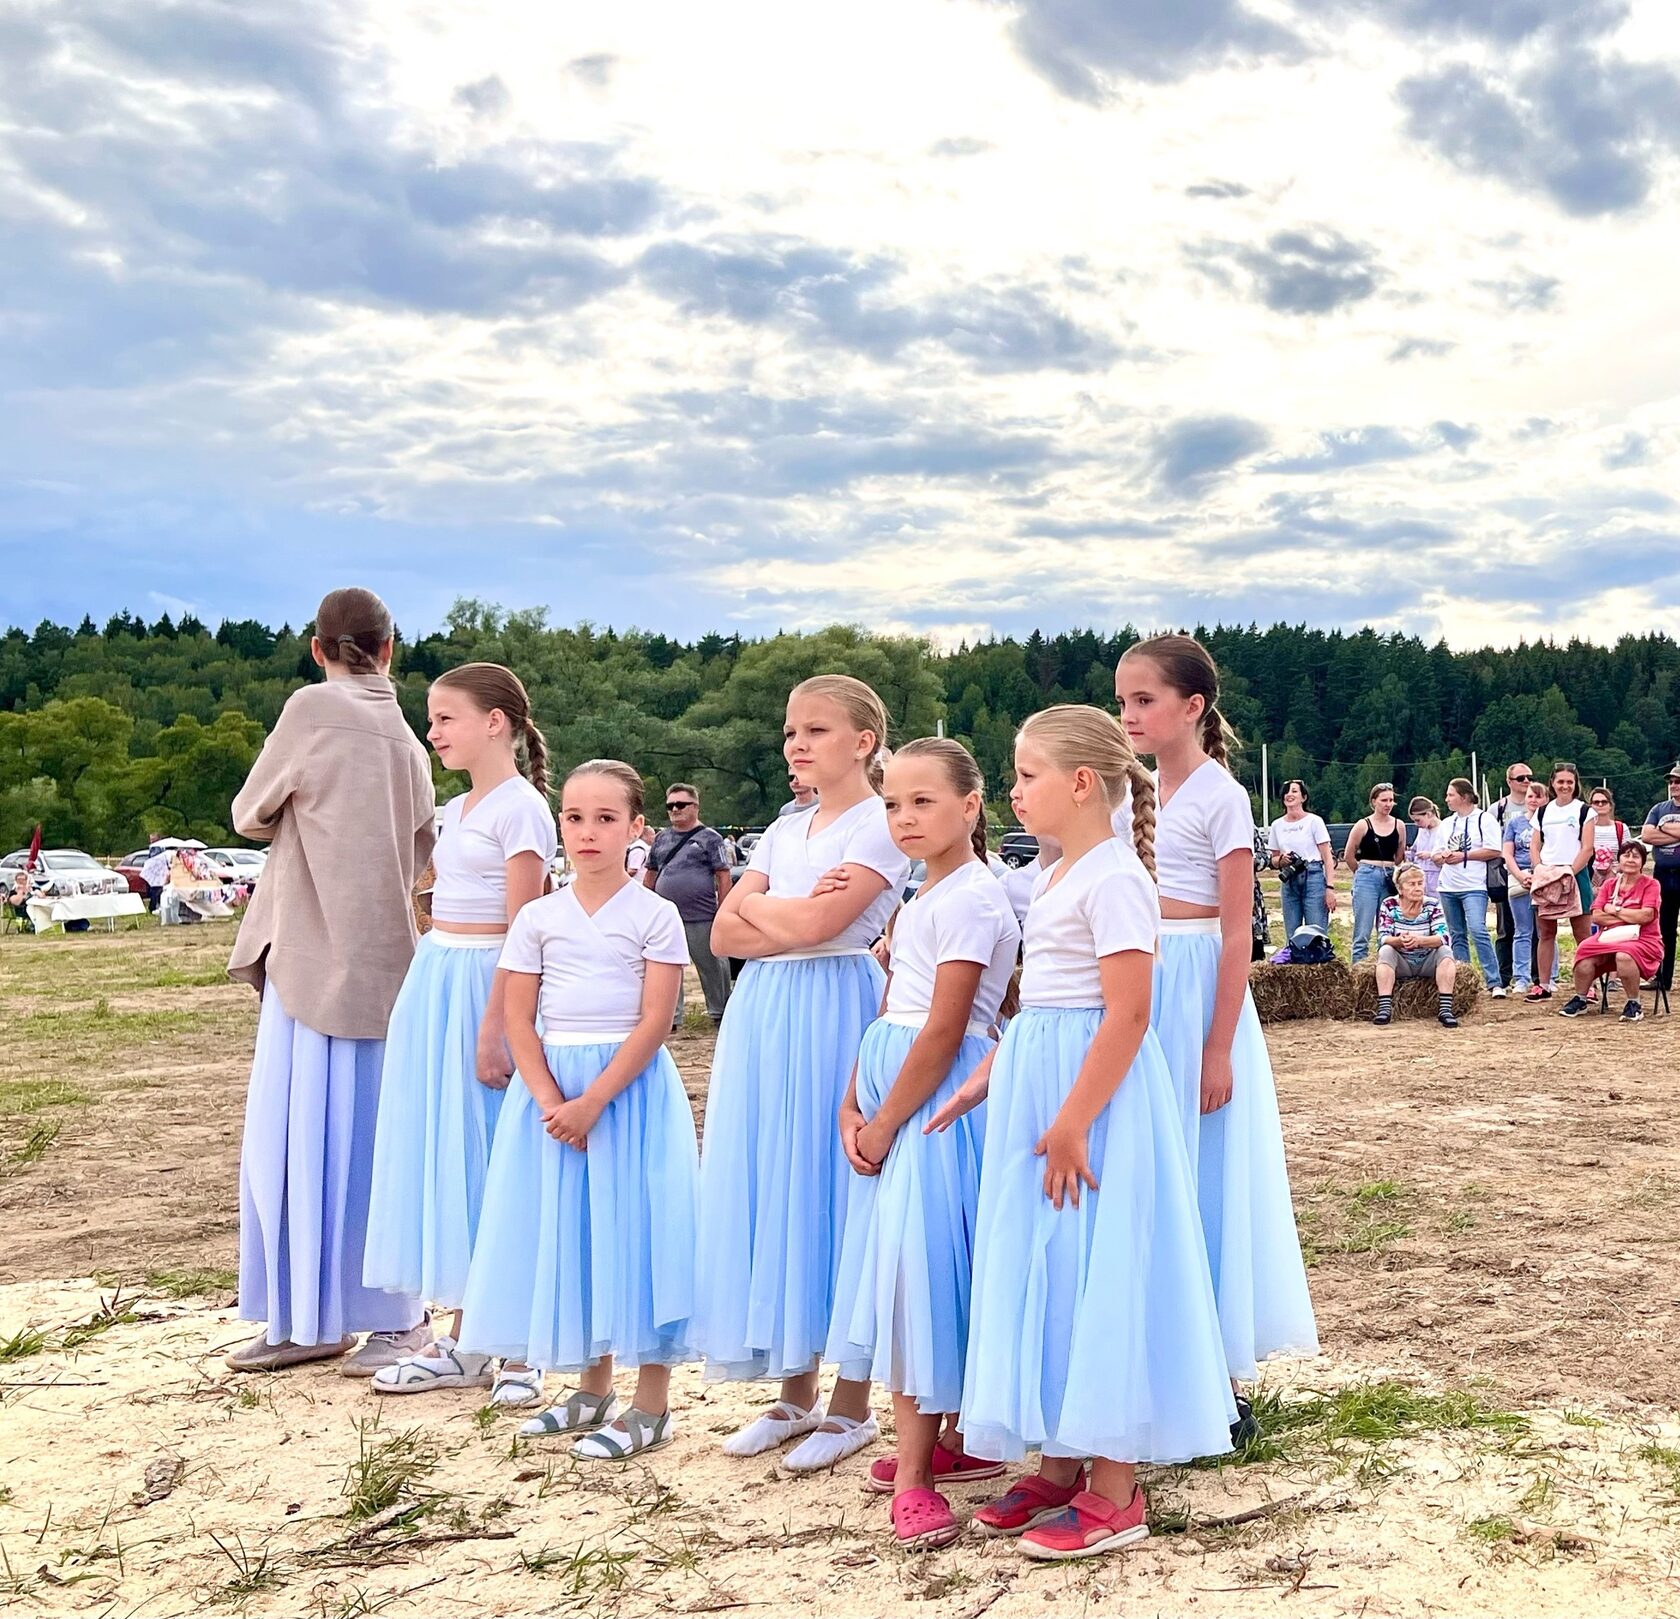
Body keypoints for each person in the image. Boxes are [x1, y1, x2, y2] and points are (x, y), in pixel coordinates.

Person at [927, 706, 1233, 1562]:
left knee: (1096, 1262)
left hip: (1089, 1105)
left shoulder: (1116, 879)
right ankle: (1060, 1456)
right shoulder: (1055, 875)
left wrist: (1071, 1121)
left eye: (1024, 775)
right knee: (1051, 1262)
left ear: (1080, 783)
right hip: (1042, 1084)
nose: (1013, 790)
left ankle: (1117, 1482)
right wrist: (989, 1081)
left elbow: (1127, 1013)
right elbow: (1045, 1006)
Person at [445, 760, 699, 1459]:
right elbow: (518, 1019)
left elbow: (655, 1020)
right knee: (580, 1235)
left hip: (627, 1092)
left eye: (606, 818)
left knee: (637, 1234)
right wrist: (554, 1099)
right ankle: (592, 1386)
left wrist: (594, 1100)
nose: (588, 832)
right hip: (551, 1095)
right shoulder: (537, 916)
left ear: (636, 827)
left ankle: (652, 1404)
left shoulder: (656, 914)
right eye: (575, 817)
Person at [696, 676, 910, 1470]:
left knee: (834, 1183)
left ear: (862, 741)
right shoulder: (786, 829)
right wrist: (783, 915)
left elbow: (827, 925)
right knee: (777, 1179)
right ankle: (793, 1388)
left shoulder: (880, 825)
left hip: (835, 1004)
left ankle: (850, 1404)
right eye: (791, 731)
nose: (796, 744)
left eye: (815, 729)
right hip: (765, 1012)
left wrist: (771, 914)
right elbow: (721, 932)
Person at [224, 587, 437, 1373]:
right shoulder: (412, 742)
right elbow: (421, 850)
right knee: (372, 1139)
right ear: (390, 646)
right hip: (386, 961)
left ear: (319, 648)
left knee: (294, 1135)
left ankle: (307, 1317)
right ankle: (387, 1314)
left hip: (311, 951)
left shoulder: (312, 710)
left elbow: (250, 811)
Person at [1115, 637, 1317, 1445]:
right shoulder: (1133, 792)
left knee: (1205, 1167)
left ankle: (1219, 1375)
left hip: (1196, 984)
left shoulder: (1220, 794)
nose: (1129, 715)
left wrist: (1216, 1045)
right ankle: (1155, 1351)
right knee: (1148, 1160)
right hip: (1141, 979)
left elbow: (1240, 933)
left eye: (1145, 700)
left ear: (1192, 706)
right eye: (1123, 701)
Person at [823, 739, 1019, 1550]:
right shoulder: (920, 892)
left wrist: (884, 1120)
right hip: (893, 1093)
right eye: (894, 804)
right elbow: (893, 1010)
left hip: (933, 1104)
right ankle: (938, 1439)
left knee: (924, 1274)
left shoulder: (973, 898)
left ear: (971, 807)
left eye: (923, 802)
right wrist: (849, 1102)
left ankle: (915, 1474)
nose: (904, 818)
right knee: (912, 1264)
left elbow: (943, 1029)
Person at [361, 664, 555, 1405]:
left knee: (492, 1153)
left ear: (496, 722)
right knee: (447, 1150)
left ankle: (521, 1342)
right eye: (431, 718)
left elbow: (522, 927)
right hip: (439, 973)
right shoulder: (457, 807)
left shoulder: (522, 810)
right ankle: (468, 1333)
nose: (434, 731)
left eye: (446, 718)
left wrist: (497, 1026)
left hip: (487, 980)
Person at [645, 783, 734, 1027]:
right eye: (670, 805)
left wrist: (723, 910)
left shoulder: (710, 838)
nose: (675, 810)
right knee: (667, 969)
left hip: (702, 915)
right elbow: (650, 873)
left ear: (695, 807)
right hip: (666, 918)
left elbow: (723, 875)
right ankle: (671, 1019)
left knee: (712, 966)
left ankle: (721, 1013)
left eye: (681, 804)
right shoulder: (661, 839)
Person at [1557, 842, 1662, 1022]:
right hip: (1608, 936)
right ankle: (1581, 998)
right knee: (1584, 950)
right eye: (1626, 856)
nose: (1630, 860)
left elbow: (1646, 916)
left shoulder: (1651, 884)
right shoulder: (1609, 885)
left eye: (1636, 856)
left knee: (1624, 954)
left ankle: (1633, 1004)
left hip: (1643, 938)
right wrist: (1630, 917)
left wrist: (1615, 910)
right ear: (1619, 860)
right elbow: (1597, 916)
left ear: (1643, 862)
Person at [1436, 778, 1505, 998]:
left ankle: (1494, 982)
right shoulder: (1446, 823)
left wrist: (1464, 856)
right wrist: (1443, 856)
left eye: (1450, 795)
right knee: (1456, 934)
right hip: (1448, 886)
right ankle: (1463, 982)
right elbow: (1437, 853)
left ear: (1464, 797)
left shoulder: (1484, 819)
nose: (1447, 799)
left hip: (1474, 885)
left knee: (1478, 929)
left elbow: (1494, 849)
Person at [1372, 864, 1458, 1027]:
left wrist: (1420, 941)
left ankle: (1445, 1010)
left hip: (1427, 960)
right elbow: (1383, 937)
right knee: (1385, 951)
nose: (1417, 888)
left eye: (1420, 883)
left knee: (1445, 951)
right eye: (1412, 884)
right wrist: (1399, 940)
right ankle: (1384, 1009)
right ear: (1400, 888)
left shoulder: (1432, 904)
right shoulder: (1389, 904)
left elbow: (1444, 937)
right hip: (1401, 961)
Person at [1533, 761, 1594, 990]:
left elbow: (1587, 848)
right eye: (1561, 781)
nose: (1565, 786)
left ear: (1575, 784)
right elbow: (1535, 846)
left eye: (1570, 782)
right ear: (1552, 783)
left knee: (1582, 933)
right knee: (1546, 932)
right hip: (1548, 876)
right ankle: (1544, 984)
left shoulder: (1584, 811)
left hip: (1575, 875)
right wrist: (1540, 870)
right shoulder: (1542, 812)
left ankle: (1589, 986)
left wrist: (1568, 871)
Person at [1343, 783, 1407, 964]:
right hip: (1366, 874)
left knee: (1386, 927)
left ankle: (1385, 967)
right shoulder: (1363, 825)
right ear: (1374, 802)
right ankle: (1358, 969)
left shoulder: (1399, 825)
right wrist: (1361, 873)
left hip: (1388, 875)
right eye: (1384, 800)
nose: (1388, 804)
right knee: (1363, 929)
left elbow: (1399, 856)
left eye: (1391, 800)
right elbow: (1349, 855)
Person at [1267, 780, 1337, 937]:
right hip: (1289, 876)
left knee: (1316, 931)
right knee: (1292, 932)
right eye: (1286, 792)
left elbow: (1327, 857)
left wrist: (1330, 887)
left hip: (1313, 876)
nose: (1289, 795)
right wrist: (1281, 860)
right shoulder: (1277, 825)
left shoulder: (1314, 821)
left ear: (1303, 797)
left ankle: (1318, 959)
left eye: (1294, 791)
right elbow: (1273, 859)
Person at [1501, 780, 1545, 999]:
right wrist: (1519, 875)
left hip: (1545, 878)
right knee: (1522, 930)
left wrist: (1540, 875)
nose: (1534, 800)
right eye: (1530, 796)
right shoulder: (1515, 823)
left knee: (1546, 931)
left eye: (1539, 796)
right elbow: (1507, 853)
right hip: (1519, 878)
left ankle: (1548, 976)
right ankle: (1521, 977)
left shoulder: (1550, 823)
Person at [1641, 764, 1680, 992]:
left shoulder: (1661, 817)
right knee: (1663, 928)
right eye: (1672, 782)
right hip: (1663, 875)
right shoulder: (1659, 808)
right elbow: (1647, 835)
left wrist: (1662, 831)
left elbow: (1655, 834)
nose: (1674, 785)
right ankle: (1662, 978)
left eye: (1678, 781)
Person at [1407, 797, 1444, 900]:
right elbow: (1413, 851)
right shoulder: (1422, 831)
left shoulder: (1444, 829)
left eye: (1418, 820)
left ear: (1428, 814)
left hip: (1438, 878)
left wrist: (1430, 854)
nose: (1416, 824)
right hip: (1420, 878)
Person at [140, 831, 170, 912]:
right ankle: (155, 906)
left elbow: (154, 859)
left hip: (157, 872)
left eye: (152, 839)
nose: (151, 841)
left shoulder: (156, 847)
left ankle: (153, 906)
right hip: (158, 872)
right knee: (157, 890)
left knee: (155, 890)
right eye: (150, 839)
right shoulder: (161, 847)